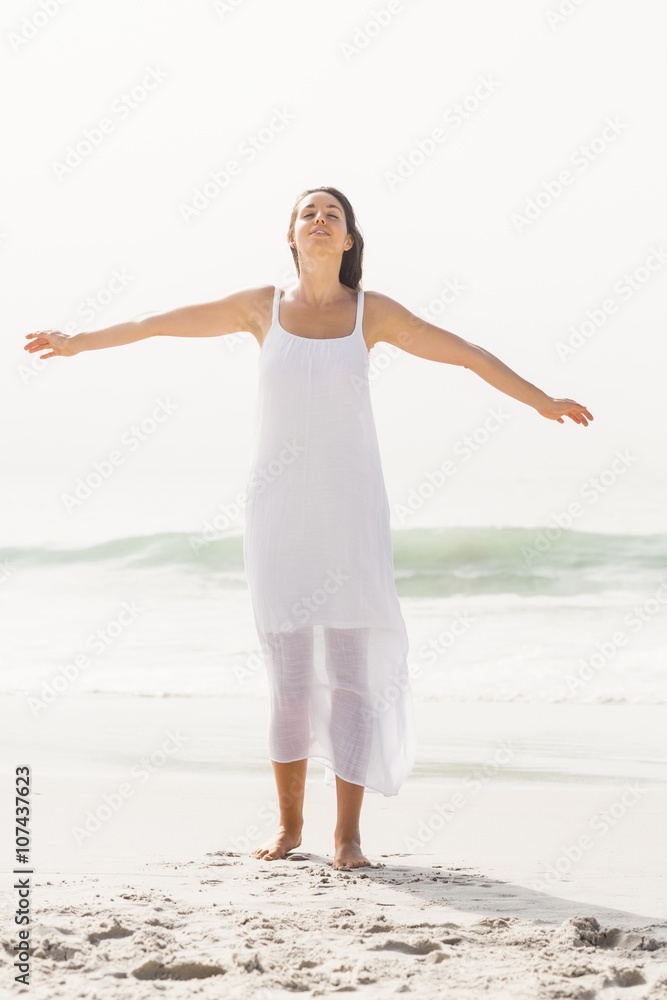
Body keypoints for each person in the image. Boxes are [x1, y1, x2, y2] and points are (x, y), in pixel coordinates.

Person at [24, 186, 593, 871]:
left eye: (333, 214)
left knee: (351, 674)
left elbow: (467, 352)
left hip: (350, 511)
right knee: (289, 674)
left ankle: (348, 837)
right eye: (308, 213)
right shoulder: (259, 307)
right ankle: (289, 826)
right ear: (291, 236)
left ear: (348, 240)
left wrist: (541, 401)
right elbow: (156, 323)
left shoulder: (371, 313)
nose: (320, 220)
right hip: (278, 513)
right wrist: (79, 342)